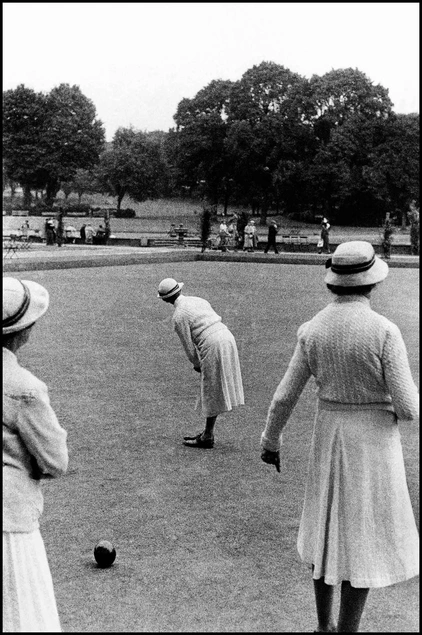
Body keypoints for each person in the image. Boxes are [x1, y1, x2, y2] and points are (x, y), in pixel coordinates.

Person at [260, 241, 419, 633]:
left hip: (329, 434)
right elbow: (409, 409)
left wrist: (271, 442)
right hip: (372, 443)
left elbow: (284, 396)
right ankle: (346, 630)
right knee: (361, 534)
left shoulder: (313, 328)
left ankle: (323, 626)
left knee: (325, 528)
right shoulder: (383, 330)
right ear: (371, 283)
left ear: (334, 283)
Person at [3, 277, 69, 632]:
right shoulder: (24, 387)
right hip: (9, 520)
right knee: (21, 616)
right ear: (21, 331)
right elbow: (56, 462)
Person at [157, 278, 244, 448]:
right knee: (212, 387)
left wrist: (197, 363)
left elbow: (189, 347)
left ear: (166, 299)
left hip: (212, 344)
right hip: (227, 337)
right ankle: (207, 433)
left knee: (210, 387)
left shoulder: (179, 316)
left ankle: (207, 436)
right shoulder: (198, 300)